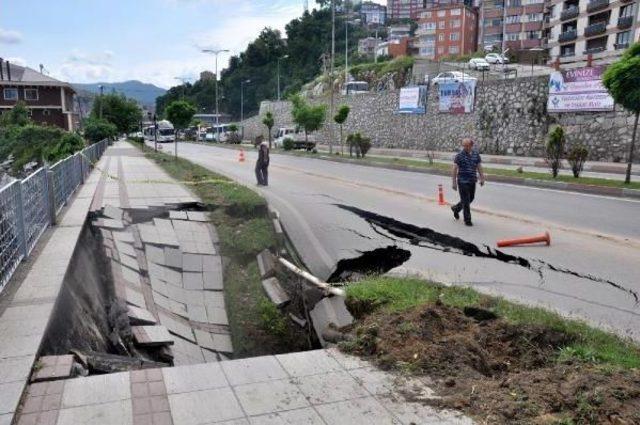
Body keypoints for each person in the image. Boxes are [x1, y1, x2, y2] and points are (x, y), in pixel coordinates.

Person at [451, 138, 485, 226]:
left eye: (467, 146)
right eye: (464, 146)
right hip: (462, 181)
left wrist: (482, 178)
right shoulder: (459, 155)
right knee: (466, 201)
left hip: (472, 180)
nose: (465, 147)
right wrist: (454, 182)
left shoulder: (476, 154)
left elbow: (479, 166)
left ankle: (456, 208)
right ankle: (467, 220)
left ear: (471, 145)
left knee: (471, 198)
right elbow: (454, 169)